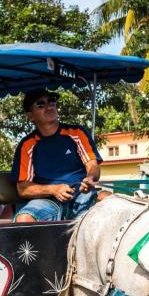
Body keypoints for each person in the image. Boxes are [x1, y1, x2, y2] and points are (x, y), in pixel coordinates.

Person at [9, 88, 103, 222]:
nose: (49, 107)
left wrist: (90, 178)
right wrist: (53, 189)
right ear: (30, 115)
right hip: (47, 201)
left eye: (51, 102)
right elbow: (23, 189)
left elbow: (93, 166)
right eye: (41, 104)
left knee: (112, 202)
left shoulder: (77, 133)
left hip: (83, 195)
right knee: (24, 219)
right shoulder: (27, 145)